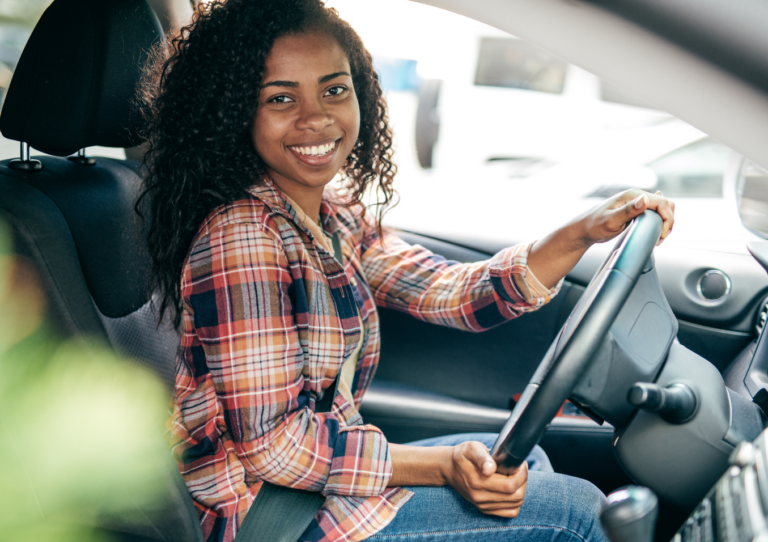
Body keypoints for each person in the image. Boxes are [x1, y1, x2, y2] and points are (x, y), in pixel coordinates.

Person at [136, 1, 675, 541]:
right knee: (578, 513)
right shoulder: (243, 237)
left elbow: (452, 292)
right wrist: (441, 468)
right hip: (267, 518)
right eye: (281, 98)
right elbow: (274, 448)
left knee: (520, 457)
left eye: (334, 89)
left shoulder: (331, 215)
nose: (316, 117)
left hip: (313, 489)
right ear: (234, 113)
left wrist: (581, 232)